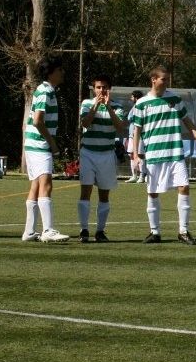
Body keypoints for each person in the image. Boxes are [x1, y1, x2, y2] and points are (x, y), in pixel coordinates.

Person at [130, 66, 196, 244]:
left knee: (184, 187)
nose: (166, 82)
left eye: (167, 79)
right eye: (163, 79)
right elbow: (137, 131)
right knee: (153, 193)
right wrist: (135, 155)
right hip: (154, 155)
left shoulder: (175, 99)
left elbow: (188, 122)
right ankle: (155, 232)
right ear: (153, 80)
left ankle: (183, 231)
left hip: (175, 153)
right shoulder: (142, 103)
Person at [21, 57, 69, 243]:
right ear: (51, 72)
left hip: (33, 144)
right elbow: (37, 120)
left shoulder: (46, 90)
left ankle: (29, 231)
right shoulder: (45, 91)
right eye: (60, 70)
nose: (62, 73)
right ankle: (48, 230)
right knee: (46, 183)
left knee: (35, 185)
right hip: (39, 145)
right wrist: (52, 143)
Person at [76, 74, 127, 243]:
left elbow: (120, 127)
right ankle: (84, 230)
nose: (101, 90)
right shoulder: (86, 104)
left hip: (106, 154)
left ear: (109, 89)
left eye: (104, 87)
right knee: (86, 192)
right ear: (93, 89)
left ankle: (100, 231)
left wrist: (109, 108)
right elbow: (85, 123)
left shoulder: (117, 106)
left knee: (104, 195)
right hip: (88, 153)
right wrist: (96, 107)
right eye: (98, 87)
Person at [125, 90, 147, 183]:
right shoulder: (134, 107)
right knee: (131, 154)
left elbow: (134, 118)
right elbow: (129, 118)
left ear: (136, 97)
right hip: (131, 135)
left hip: (139, 134)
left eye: (132, 97)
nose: (131, 98)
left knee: (140, 155)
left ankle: (142, 175)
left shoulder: (142, 106)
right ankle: (134, 175)